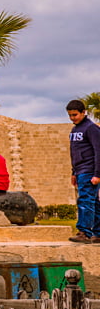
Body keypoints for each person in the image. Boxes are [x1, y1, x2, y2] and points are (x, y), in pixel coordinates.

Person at [66, 99, 100, 243]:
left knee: (85, 200)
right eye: (70, 115)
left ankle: (84, 232)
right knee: (94, 202)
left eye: (75, 115)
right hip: (80, 171)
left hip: (89, 171)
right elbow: (74, 153)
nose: (72, 118)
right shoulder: (75, 130)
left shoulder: (91, 128)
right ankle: (98, 233)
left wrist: (97, 174)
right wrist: (74, 172)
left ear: (83, 112)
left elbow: (98, 151)